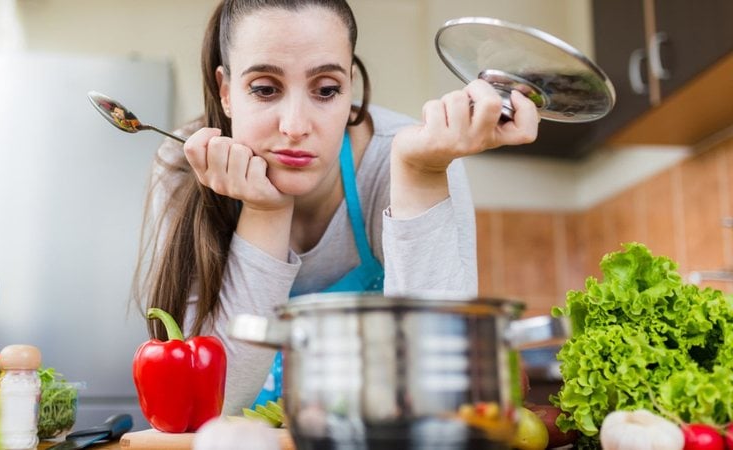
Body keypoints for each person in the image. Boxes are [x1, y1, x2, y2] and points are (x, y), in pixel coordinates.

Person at [133, 0, 539, 416]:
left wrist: (421, 174)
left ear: (349, 89)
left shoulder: (406, 156)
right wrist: (266, 212)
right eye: (265, 89)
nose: (294, 125)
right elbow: (206, 410)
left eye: (326, 90)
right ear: (226, 91)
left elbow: (447, 395)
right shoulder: (182, 165)